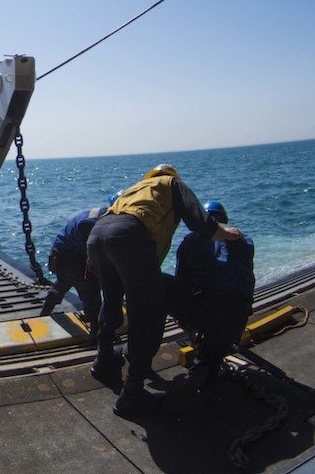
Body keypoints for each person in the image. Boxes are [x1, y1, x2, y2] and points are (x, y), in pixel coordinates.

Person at [86, 165, 242, 415]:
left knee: (111, 298)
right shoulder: (171, 184)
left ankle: (103, 359)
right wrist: (218, 231)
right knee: (147, 312)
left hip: (97, 235)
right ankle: (133, 392)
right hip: (127, 234)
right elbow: (195, 213)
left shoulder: (134, 190)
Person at [168, 200, 255, 387]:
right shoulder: (246, 240)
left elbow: (181, 279)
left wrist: (182, 315)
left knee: (157, 285)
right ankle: (208, 363)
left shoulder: (192, 239)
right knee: (213, 352)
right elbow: (247, 278)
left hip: (206, 310)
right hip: (238, 315)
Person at [39, 197, 116, 336]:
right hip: (71, 257)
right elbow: (91, 245)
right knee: (91, 290)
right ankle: (95, 330)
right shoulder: (94, 221)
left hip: (60, 253)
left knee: (63, 282)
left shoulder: (98, 213)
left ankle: (45, 312)